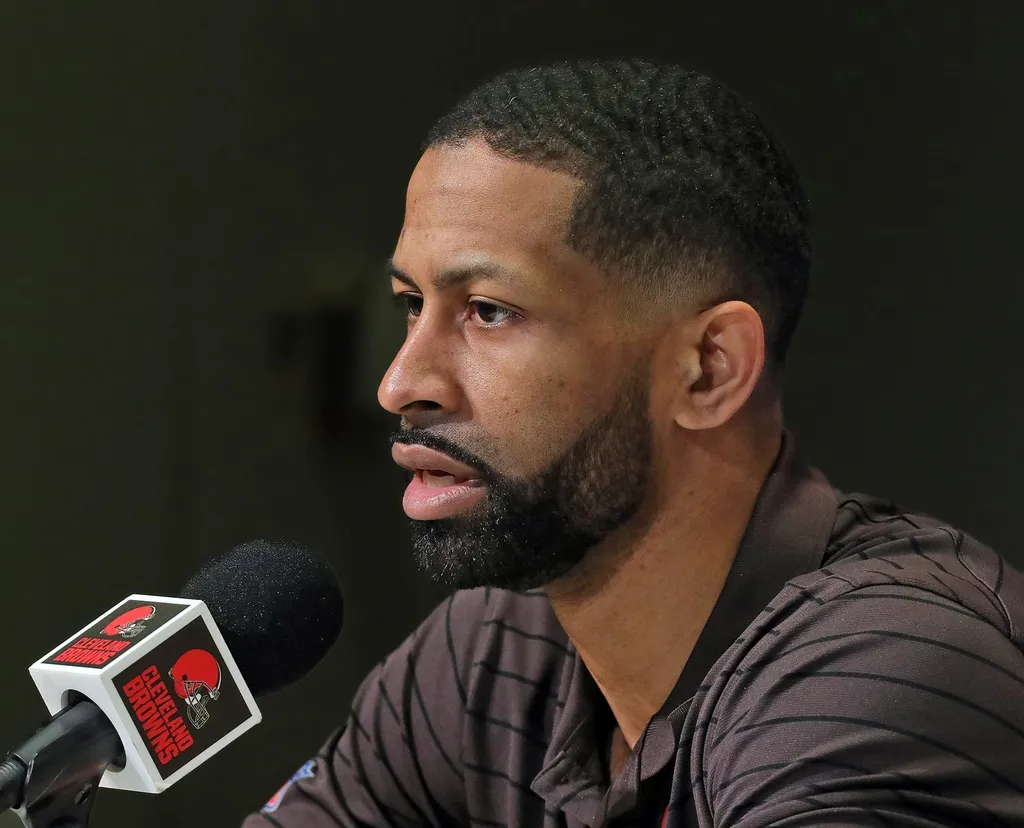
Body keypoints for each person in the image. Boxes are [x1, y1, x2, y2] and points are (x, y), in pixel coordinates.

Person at [244, 59, 1024, 827]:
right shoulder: (493, 655)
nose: (401, 383)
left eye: (488, 311)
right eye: (412, 304)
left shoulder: (877, 676)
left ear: (708, 369)